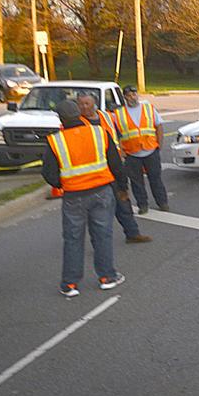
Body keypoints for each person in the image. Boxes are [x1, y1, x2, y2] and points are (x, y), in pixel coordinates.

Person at [41, 99, 127, 297]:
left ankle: (70, 284)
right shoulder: (99, 132)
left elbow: (49, 174)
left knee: (73, 239)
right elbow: (116, 164)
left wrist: (63, 183)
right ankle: (107, 277)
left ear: (60, 119)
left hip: (73, 196)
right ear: (79, 114)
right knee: (102, 235)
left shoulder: (55, 141)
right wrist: (122, 187)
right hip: (102, 192)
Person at [77, 92, 151, 244]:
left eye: (87, 103)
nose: (84, 107)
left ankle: (132, 233)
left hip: (114, 166)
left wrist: (123, 154)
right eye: (81, 104)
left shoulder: (107, 117)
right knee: (97, 211)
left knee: (123, 202)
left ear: (94, 104)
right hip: (94, 173)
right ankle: (98, 242)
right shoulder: (77, 123)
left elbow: (118, 136)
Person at [116, 85, 169, 214]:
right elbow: (116, 134)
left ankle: (162, 202)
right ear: (125, 97)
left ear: (137, 95)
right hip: (132, 153)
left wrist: (159, 144)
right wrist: (121, 151)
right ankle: (142, 205)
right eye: (128, 95)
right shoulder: (119, 114)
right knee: (136, 182)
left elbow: (159, 126)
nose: (131, 97)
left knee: (155, 179)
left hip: (151, 150)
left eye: (134, 94)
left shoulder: (148, 108)